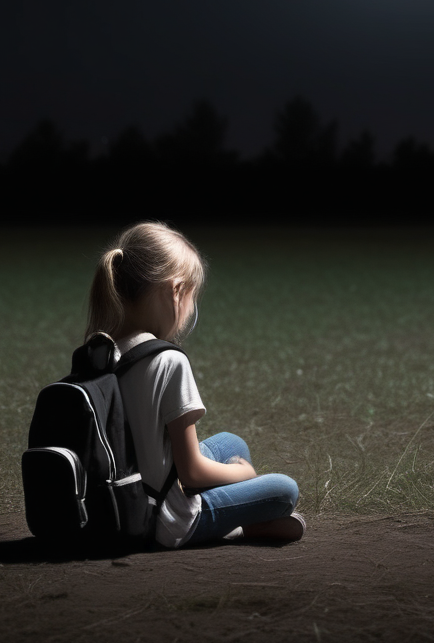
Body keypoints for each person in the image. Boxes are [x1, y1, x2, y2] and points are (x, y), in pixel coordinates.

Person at [86, 221, 305, 548]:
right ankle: (233, 528)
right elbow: (190, 473)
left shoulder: (102, 351)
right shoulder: (169, 361)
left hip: (121, 500)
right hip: (166, 519)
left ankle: (234, 513)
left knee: (231, 444)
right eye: (192, 298)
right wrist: (243, 476)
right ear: (176, 292)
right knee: (285, 489)